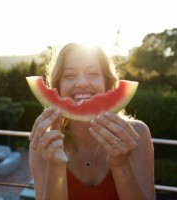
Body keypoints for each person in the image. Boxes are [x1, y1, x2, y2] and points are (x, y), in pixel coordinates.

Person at [29, 42, 155, 200]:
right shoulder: (43, 145)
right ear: (58, 88)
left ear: (107, 84)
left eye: (93, 73)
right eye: (69, 75)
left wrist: (121, 165)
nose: (81, 83)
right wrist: (55, 167)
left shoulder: (137, 134)